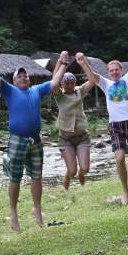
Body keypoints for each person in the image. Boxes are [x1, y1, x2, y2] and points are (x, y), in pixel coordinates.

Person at [0, 49, 68, 232]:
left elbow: (55, 81)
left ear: (29, 79)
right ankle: (14, 213)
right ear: (14, 80)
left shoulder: (36, 90)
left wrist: (63, 63)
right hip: (17, 140)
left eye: (25, 76)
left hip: (35, 140)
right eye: (20, 76)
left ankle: (38, 210)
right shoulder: (10, 90)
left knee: (36, 176)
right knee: (15, 178)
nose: (23, 78)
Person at [77, 32, 128, 204]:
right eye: (111, 70)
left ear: (121, 70)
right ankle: (126, 191)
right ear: (108, 73)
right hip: (115, 125)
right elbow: (93, 77)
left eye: (116, 69)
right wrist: (83, 62)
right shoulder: (105, 83)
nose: (114, 72)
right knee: (118, 157)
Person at [52, 53, 94, 190]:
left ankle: (82, 172)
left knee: (85, 168)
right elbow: (54, 81)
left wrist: (83, 63)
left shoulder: (79, 91)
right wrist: (60, 62)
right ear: (62, 84)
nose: (69, 85)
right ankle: (68, 174)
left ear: (75, 83)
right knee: (72, 171)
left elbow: (92, 81)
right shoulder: (59, 95)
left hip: (82, 136)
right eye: (66, 83)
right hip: (65, 138)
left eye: (72, 83)